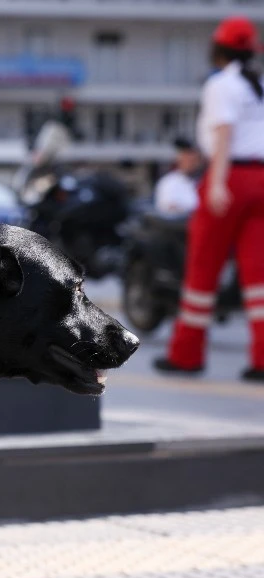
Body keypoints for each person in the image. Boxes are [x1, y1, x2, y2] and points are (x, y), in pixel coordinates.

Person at [154, 16, 264, 381]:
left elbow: (223, 134)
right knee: (258, 278)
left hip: (230, 178)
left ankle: (187, 356)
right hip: (260, 180)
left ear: (217, 47)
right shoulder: (257, 84)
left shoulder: (222, 84)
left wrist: (216, 183)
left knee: (202, 271)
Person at [153, 137, 202, 215]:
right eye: (184, 154)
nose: (188, 159)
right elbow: (168, 210)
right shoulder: (168, 182)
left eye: (191, 154)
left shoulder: (208, 182)